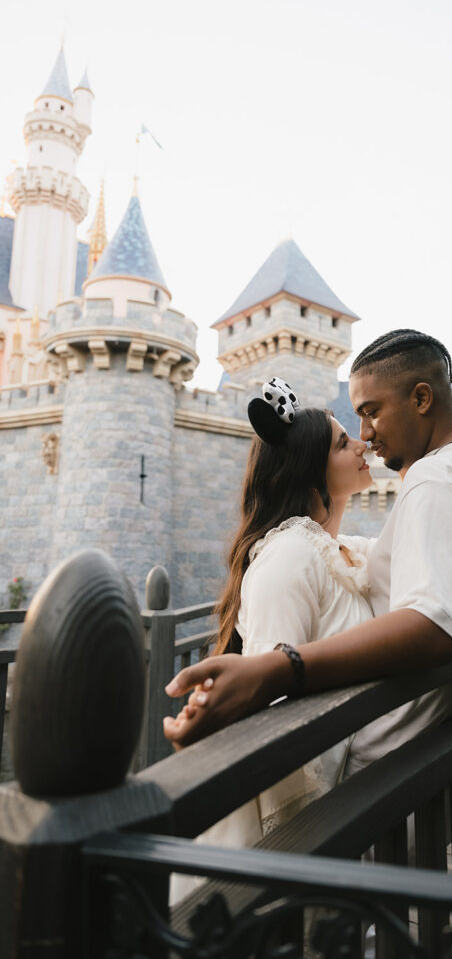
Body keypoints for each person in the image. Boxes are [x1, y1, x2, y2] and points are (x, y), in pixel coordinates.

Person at [164, 330, 452, 763]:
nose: (365, 434)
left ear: (421, 399)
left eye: (371, 412)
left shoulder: (433, 480)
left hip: (388, 771)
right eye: (352, 426)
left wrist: (280, 669)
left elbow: (433, 628)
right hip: (439, 751)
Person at [169, 378, 375, 901]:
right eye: (341, 442)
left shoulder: (338, 550)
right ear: (309, 469)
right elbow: (275, 700)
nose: (362, 444)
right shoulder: (289, 556)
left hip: (349, 794)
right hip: (312, 812)